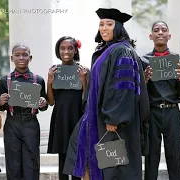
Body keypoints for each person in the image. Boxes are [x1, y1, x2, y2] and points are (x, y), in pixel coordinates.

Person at [63, 8, 150, 180]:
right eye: (101, 24)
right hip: (97, 118)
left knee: (114, 167)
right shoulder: (106, 50)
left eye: (109, 24)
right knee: (89, 158)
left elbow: (122, 88)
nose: (104, 28)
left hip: (114, 122)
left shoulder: (122, 51)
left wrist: (114, 117)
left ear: (118, 27)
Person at [142, 21, 180, 180]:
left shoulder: (178, 59)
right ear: (151, 36)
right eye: (156, 30)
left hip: (172, 111)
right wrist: (145, 81)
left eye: (164, 30)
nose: (160, 32)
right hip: (153, 113)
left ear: (169, 36)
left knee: (174, 155)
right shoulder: (144, 60)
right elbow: (142, 95)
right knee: (151, 156)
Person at [0, 44, 48, 180]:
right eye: (17, 55)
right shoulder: (4, 81)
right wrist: (1, 102)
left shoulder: (38, 80)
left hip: (30, 122)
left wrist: (43, 102)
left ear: (30, 58)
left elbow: (44, 106)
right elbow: (0, 107)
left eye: (24, 55)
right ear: (11, 58)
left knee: (32, 160)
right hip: (12, 122)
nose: (21, 58)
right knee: (13, 161)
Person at [47, 36, 88, 180]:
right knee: (62, 155)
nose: (66, 51)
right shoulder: (54, 71)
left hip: (77, 116)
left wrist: (83, 80)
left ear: (75, 50)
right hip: (61, 117)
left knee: (77, 152)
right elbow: (51, 102)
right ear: (58, 51)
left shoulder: (83, 70)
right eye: (62, 48)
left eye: (70, 48)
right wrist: (49, 81)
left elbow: (87, 97)